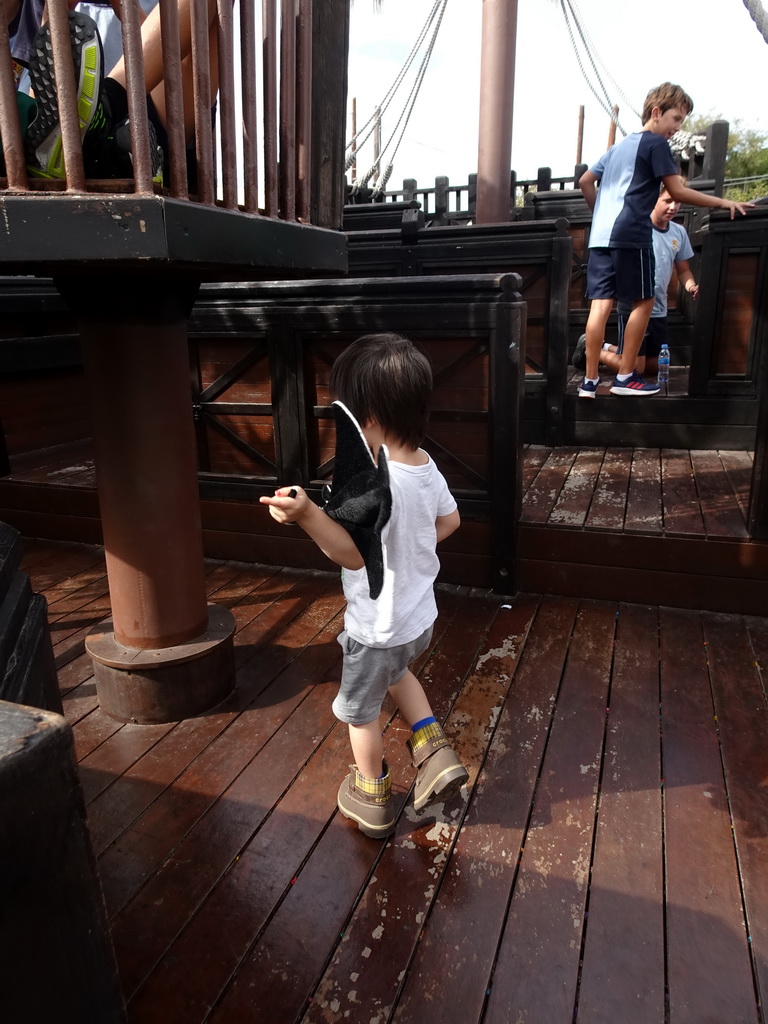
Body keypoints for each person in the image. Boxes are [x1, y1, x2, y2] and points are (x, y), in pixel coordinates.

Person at [260, 333, 468, 840]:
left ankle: (371, 794)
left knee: (360, 711)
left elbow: (349, 553)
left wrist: (307, 513)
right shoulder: (425, 465)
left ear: (367, 417)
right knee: (399, 673)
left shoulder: (374, 482)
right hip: (418, 620)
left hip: (376, 627)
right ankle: (434, 750)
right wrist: (413, 550)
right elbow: (451, 522)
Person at [578, 82, 753, 399]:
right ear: (656, 113)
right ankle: (624, 377)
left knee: (600, 306)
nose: (677, 127)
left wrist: (601, 214)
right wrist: (724, 203)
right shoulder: (655, 145)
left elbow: (585, 181)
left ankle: (589, 383)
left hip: (600, 237)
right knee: (644, 301)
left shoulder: (619, 148)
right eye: (676, 119)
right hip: (631, 234)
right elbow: (678, 191)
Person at [572, 177, 699, 381]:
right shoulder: (637, 228)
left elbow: (683, 269)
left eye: (678, 201)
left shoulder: (678, 233)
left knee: (657, 365)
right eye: (667, 201)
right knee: (635, 369)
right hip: (634, 307)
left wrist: (691, 286)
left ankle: (602, 346)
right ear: (654, 198)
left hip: (659, 310)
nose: (673, 207)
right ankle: (591, 350)